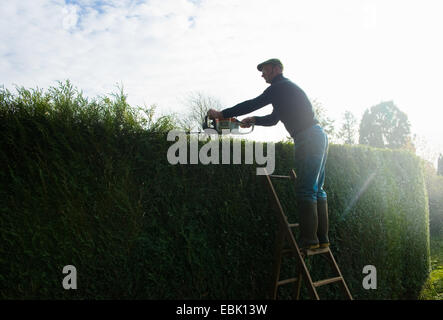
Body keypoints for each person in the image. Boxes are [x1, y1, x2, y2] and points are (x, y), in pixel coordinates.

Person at [207, 58, 329, 250]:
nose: (262, 74)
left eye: (264, 70)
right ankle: (322, 239)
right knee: (317, 188)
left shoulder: (279, 87)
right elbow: (273, 119)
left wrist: (222, 113)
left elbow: (253, 103)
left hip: (307, 137)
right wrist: (254, 120)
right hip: (317, 135)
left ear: (276, 69)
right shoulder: (286, 92)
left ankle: (309, 241)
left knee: (306, 189)